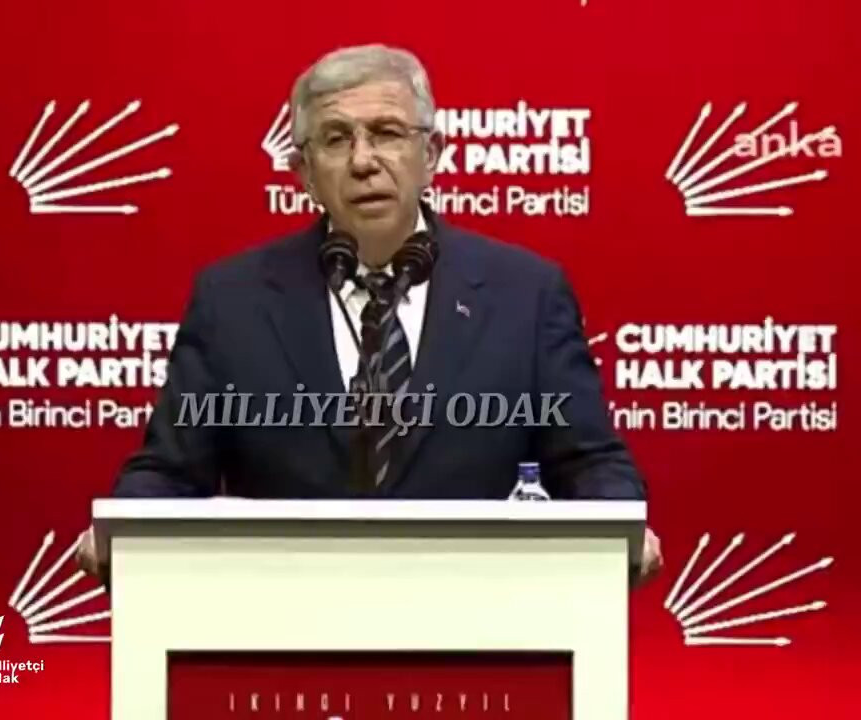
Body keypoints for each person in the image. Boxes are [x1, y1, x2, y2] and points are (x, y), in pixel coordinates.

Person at [77, 44, 662, 582]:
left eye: (386, 133)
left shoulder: (526, 295)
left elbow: (589, 462)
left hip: (476, 612)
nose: (363, 161)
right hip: (285, 614)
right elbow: (170, 471)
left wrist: (621, 527)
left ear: (431, 154)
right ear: (304, 173)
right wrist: (123, 529)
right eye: (336, 139)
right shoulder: (232, 301)